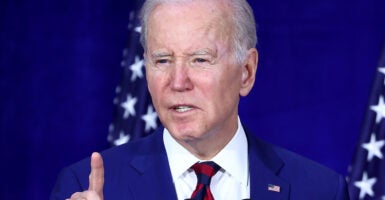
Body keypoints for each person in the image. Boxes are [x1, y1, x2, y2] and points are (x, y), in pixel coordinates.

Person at [51, 0, 350, 199]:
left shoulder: (319, 190)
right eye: (163, 60)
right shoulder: (86, 186)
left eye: (200, 60)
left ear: (246, 72)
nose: (178, 82)